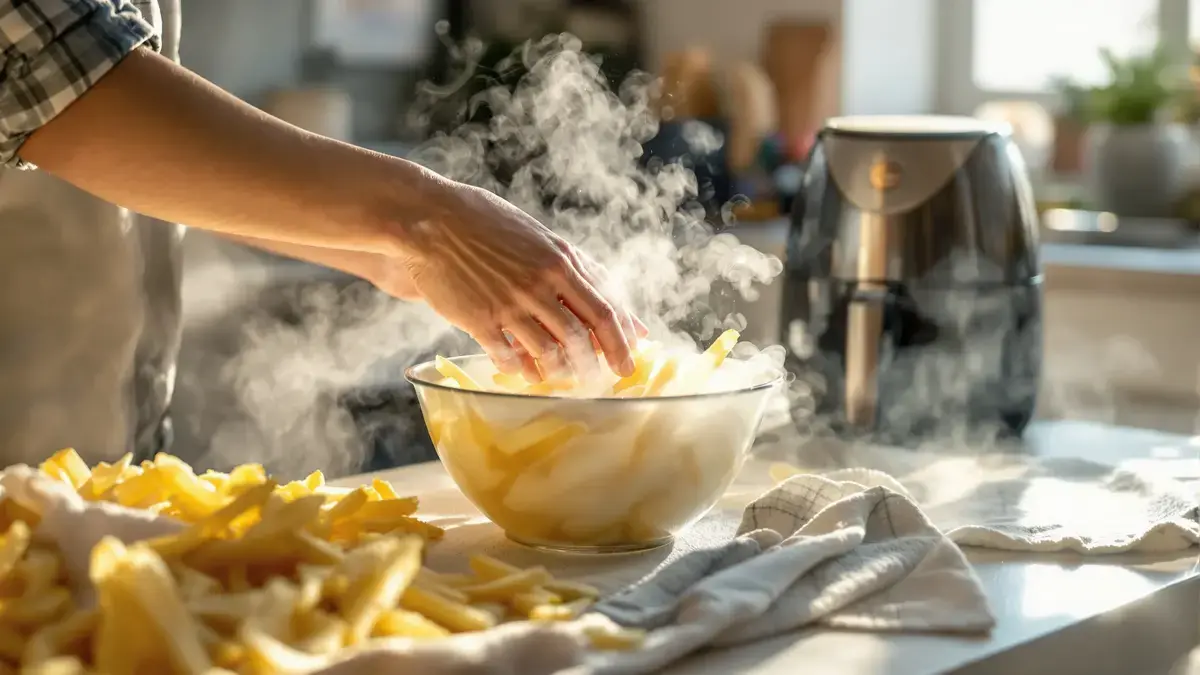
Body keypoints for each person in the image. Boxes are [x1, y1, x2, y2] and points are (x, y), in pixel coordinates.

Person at [0, 0, 639, 468]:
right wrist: (431, 222)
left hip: (100, 464)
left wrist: (387, 251)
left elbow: (149, 161)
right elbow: (64, 90)